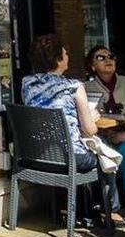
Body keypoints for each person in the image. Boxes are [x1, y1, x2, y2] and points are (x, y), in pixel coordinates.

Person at [18, 34, 118, 226]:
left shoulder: (26, 84)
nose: (67, 56)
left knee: (90, 151)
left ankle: (82, 211)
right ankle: (110, 211)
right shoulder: (73, 86)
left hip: (36, 155)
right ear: (57, 59)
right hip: (69, 157)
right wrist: (93, 117)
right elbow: (89, 130)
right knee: (105, 152)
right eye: (65, 53)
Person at [80, 44, 125, 219]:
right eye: (101, 57)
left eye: (111, 56)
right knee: (104, 153)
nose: (108, 60)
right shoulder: (85, 89)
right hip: (101, 139)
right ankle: (109, 207)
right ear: (92, 66)